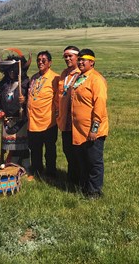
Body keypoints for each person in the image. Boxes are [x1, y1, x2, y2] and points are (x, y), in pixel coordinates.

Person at [70, 48, 108, 198]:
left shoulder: (96, 79)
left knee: (94, 161)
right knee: (83, 161)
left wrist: (95, 128)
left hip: (92, 129)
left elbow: (100, 105)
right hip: (79, 129)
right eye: (78, 59)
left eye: (83, 60)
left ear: (91, 62)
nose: (80, 62)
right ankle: (85, 187)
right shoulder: (80, 77)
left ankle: (95, 191)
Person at [0, 48, 30, 169]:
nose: (11, 73)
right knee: (9, 145)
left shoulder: (26, 83)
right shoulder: (4, 84)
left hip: (21, 119)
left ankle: (26, 167)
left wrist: (25, 101)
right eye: (9, 70)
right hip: (7, 119)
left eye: (14, 70)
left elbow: (32, 101)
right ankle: (12, 165)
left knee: (22, 146)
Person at [27, 50, 59, 179]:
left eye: (43, 60)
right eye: (38, 60)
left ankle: (51, 172)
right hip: (33, 120)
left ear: (49, 63)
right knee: (35, 148)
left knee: (50, 149)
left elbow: (58, 99)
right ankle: (36, 170)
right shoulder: (34, 78)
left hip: (48, 120)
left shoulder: (55, 78)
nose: (40, 62)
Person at [56, 45, 81, 187]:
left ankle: (79, 179)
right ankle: (72, 177)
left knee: (77, 151)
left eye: (70, 56)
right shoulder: (64, 74)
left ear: (77, 57)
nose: (67, 59)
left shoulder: (81, 74)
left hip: (76, 121)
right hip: (64, 120)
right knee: (67, 150)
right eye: (65, 56)